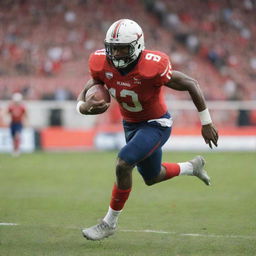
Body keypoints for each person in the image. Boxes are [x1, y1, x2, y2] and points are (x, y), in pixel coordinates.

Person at [76, 19, 219, 241]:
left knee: (124, 163)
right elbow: (91, 84)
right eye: (112, 48)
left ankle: (108, 223)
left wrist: (207, 122)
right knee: (152, 176)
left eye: (122, 48)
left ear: (137, 46)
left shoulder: (153, 66)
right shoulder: (100, 62)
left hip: (156, 124)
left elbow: (191, 83)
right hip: (130, 124)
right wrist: (82, 106)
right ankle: (192, 167)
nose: (116, 54)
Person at [7, 92, 27, 156]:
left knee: (17, 136)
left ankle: (17, 149)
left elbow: (26, 114)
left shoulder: (22, 107)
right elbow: (6, 113)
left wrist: (26, 122)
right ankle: (14, 149)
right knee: (13, 137)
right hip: (13, 123)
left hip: (19, 123)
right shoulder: (11, 107)